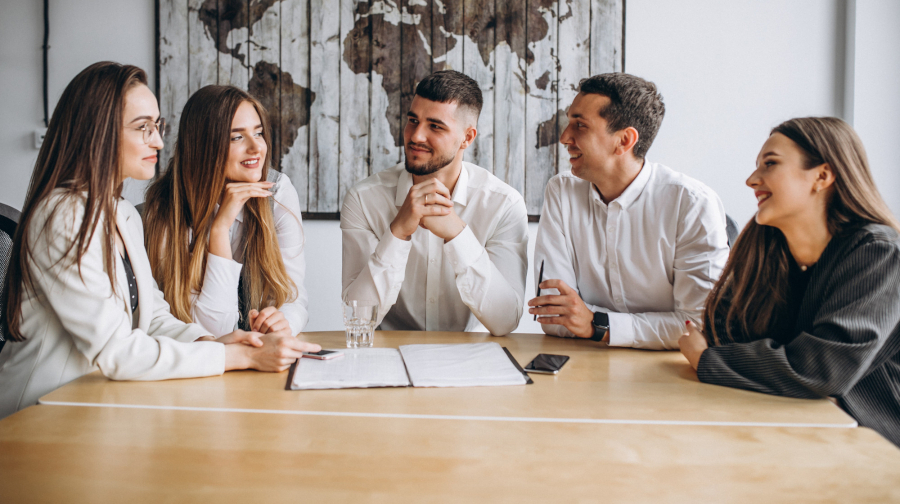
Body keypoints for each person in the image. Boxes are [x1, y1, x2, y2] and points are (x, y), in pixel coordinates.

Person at [0, 62, 319, 419]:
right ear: (99, 133)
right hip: (40, 413)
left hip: (96, 404)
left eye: (158, 126)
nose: (158, 141)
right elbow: (115, 350)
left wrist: (213, 342)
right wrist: (239, 356)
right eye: (143, 128)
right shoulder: (63, 215)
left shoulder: (121, 213)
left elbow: (154, 319)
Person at [680, 117, 900, 447]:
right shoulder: (766, 247)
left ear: (822, 176)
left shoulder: (878, 253)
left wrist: (708, 362)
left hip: (871, 447)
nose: (752, 180)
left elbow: (821, 368)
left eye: (770, 164)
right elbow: (724, 332)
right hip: (785, 429)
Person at [528, 73, 730, 350]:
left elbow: (697, 326)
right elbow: (552, 317)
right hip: (583, 364)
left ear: (624, 140)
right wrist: (643, 328)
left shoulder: (691, 203)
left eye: (580, 125)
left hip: (666, 374)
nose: (564, 137)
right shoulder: (562, 191)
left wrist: (596, 324)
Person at [341, 70, 528, 335]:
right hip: (390, 358)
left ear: (467, 137)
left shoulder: (503, 205)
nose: (416, 136)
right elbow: (358, 319)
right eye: (412, 120)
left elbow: (505, 321)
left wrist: (457, 234)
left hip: (470, 361)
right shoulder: (364, 199)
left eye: (435, 126)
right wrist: (397, 233)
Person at [142, 85, 308, 338]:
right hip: (195, 364)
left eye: (259, 133)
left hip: (257, 357)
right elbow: (211, 333)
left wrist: (283, 321)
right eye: (236, 137)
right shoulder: (165, 209)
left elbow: (293, 294)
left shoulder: (277, 192)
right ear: (203, 146)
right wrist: (220, 228)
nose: (256, 148)